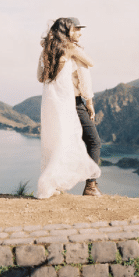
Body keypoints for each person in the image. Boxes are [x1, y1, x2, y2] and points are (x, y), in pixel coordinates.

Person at [36, 17, 102, 199]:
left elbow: (40, 77)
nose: (80, 33)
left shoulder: (46, 51)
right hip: (73, 102)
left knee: (59, 142)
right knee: (94, 141)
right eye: (77, 29)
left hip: (53, 104)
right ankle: (91, 186)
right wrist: (89, 101)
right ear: (68, 31)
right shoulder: (71, 48)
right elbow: (91, 63)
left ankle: (53, 184)